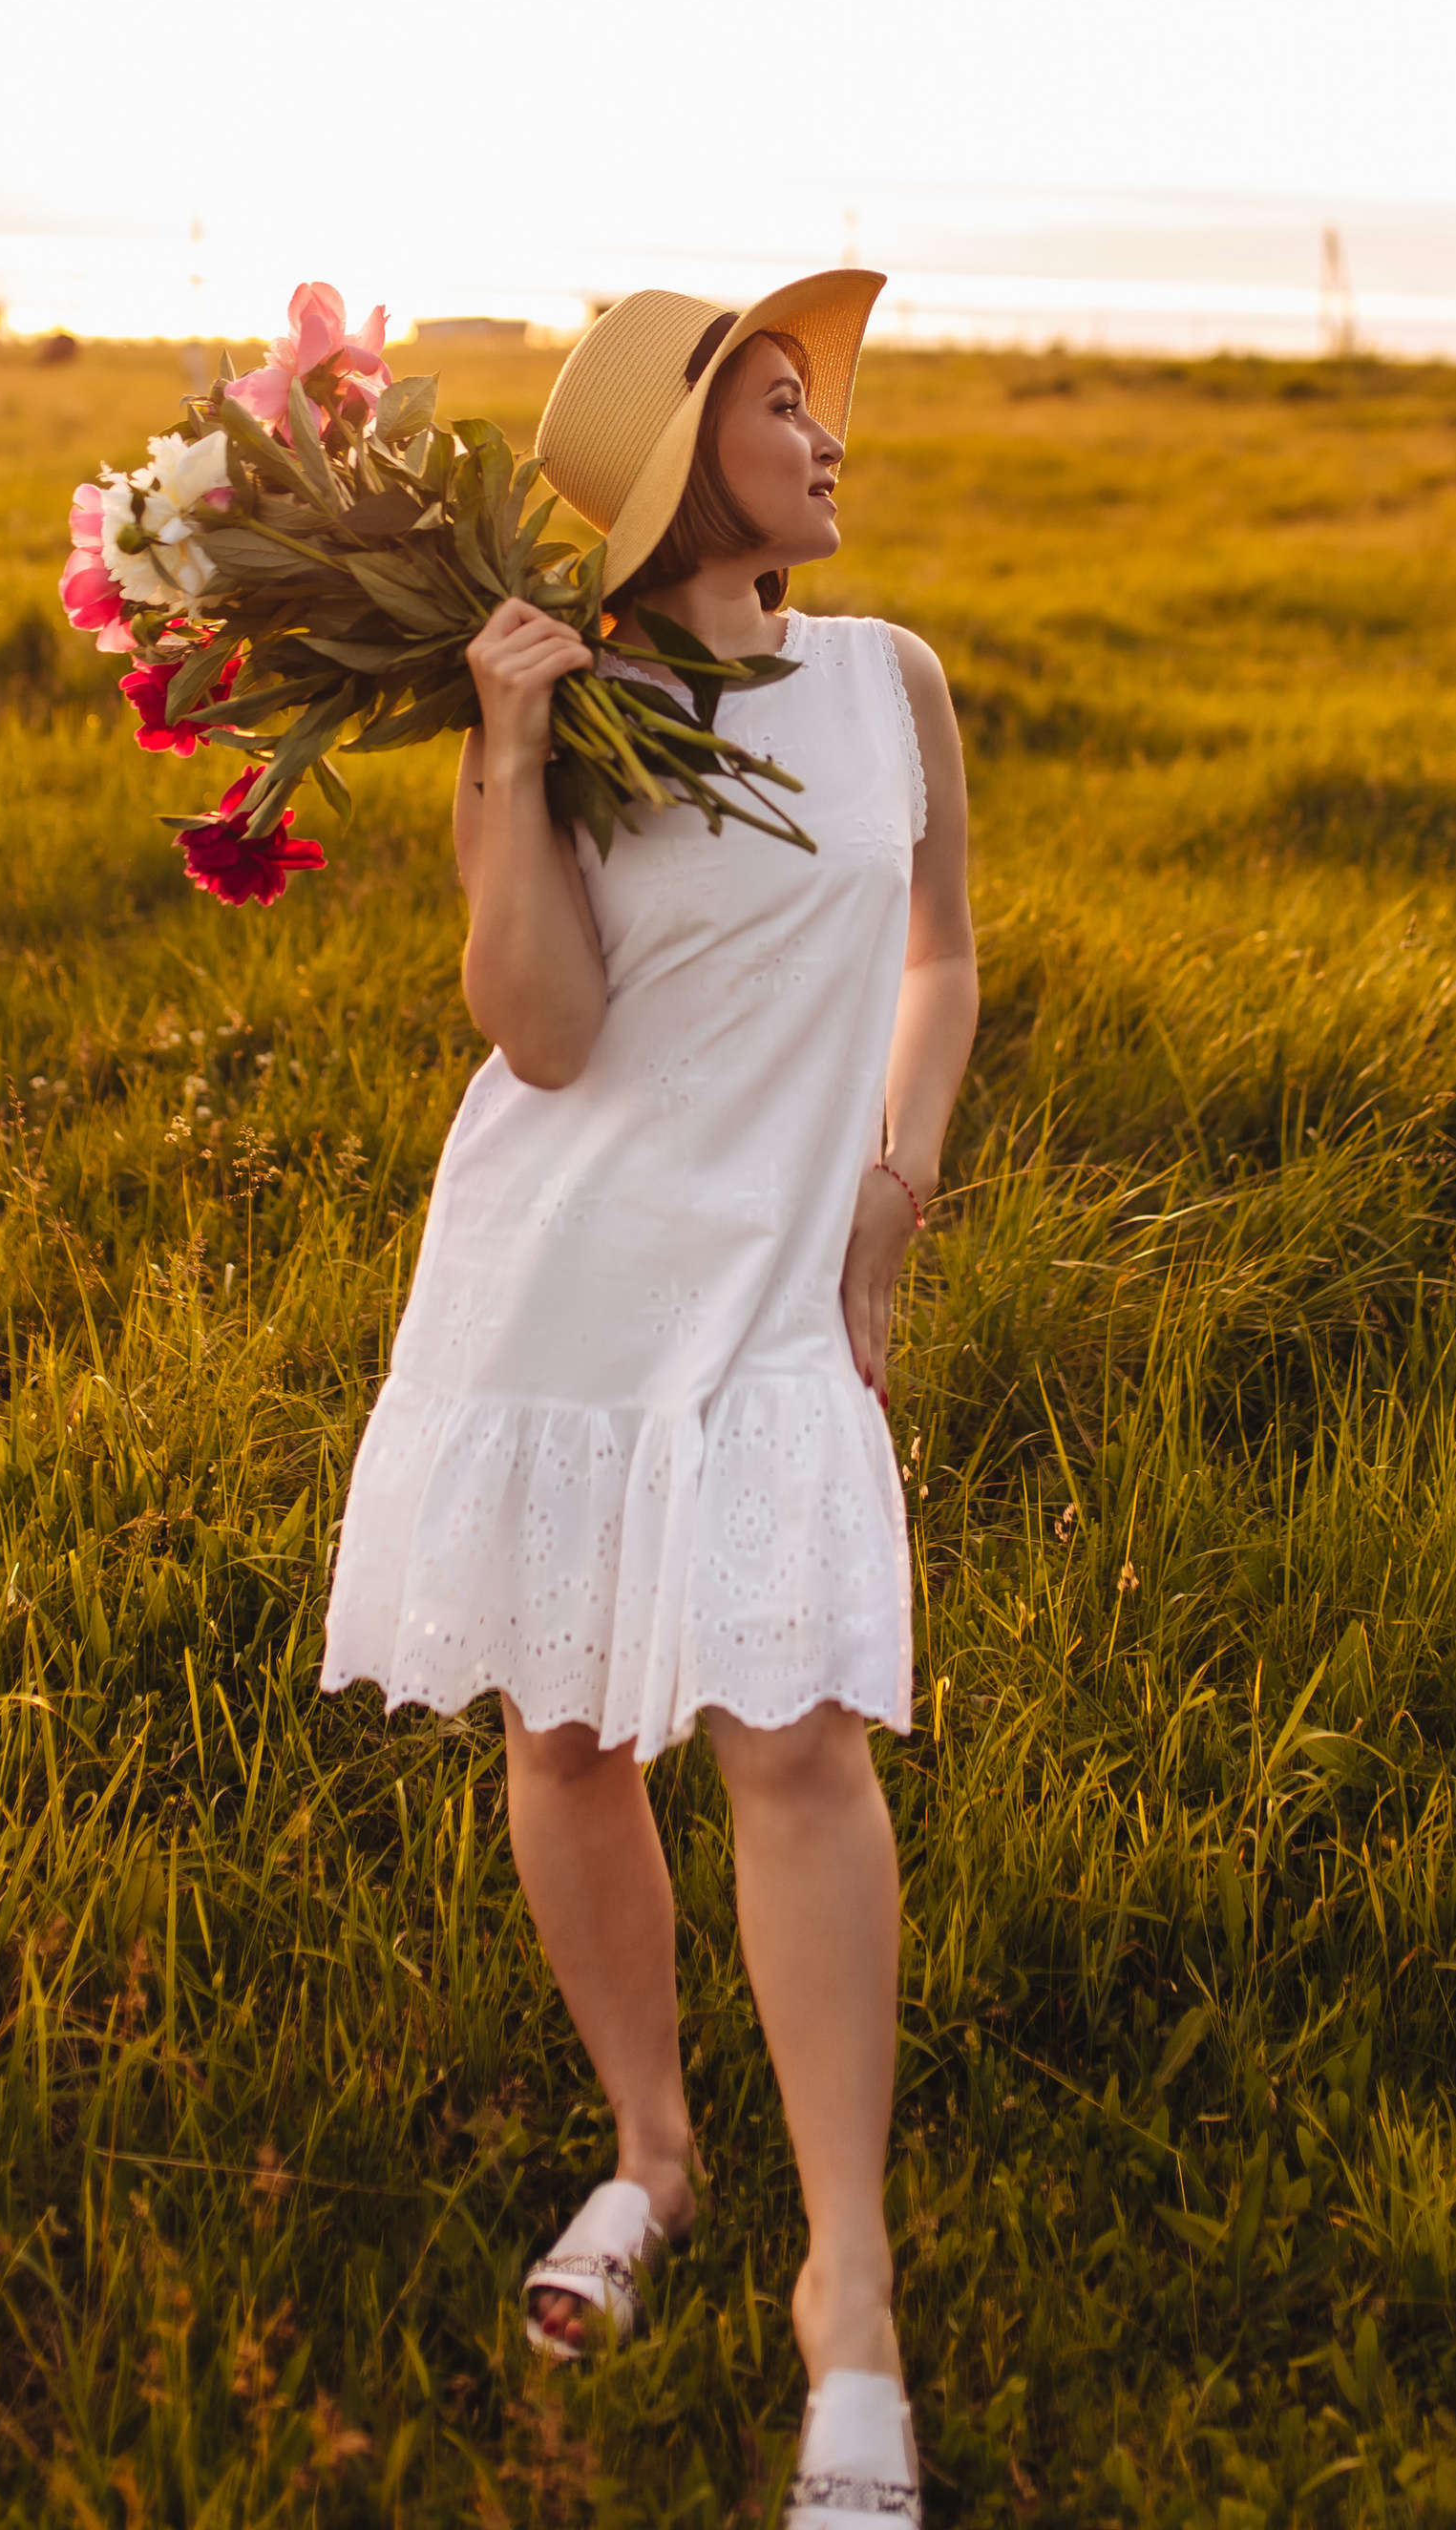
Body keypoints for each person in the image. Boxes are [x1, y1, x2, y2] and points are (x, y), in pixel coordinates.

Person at [321, 271, 977, 2519]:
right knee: (564, 1730)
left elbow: (942, 949)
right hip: (562, 1285)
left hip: (775, 1291)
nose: (829, 442)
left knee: (791, 1738)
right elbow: (542, 1035)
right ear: (682, 460)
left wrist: (894, 1191)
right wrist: (504, 745)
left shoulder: (887, 682)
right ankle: (654, 2155)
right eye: (783, 407)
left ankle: (849, 2299)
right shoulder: (574, 714)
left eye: (818, 409)